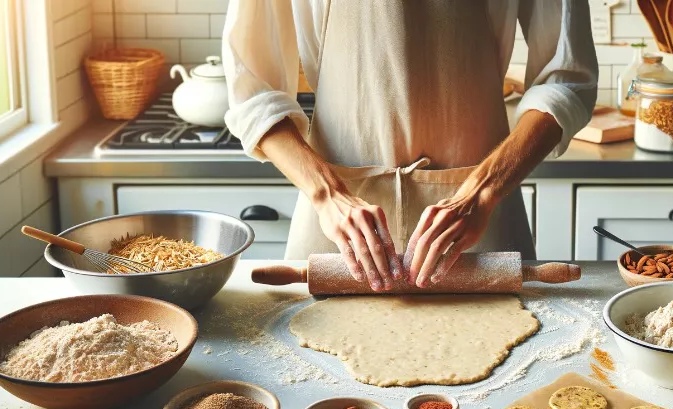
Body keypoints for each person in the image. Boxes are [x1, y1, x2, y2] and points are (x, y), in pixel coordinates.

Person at [223, 0, 597, 291]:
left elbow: (565, 79)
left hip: (478, 222)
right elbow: (254, 93)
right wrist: (327, 195)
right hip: (338, 226)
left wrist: (482, 192)